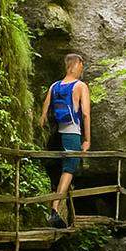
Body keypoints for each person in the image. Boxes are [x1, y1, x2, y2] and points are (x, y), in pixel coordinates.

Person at [39, 53, 90, 228]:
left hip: (60, 133)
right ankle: (54, 209)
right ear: (76, 65)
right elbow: (85, 114)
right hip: (73, 133)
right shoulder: (80, 86)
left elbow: (44, 113)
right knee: (69, 168)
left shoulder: (54, 86)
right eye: (81, 66)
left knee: (66, 168)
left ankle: (59, 211)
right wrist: (87, 139)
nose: (82, 70)